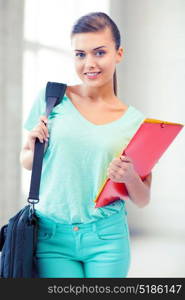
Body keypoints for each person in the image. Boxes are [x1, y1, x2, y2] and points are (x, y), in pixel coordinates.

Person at [20, 12, 152, 278]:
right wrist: (33, 148)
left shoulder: (136, 122)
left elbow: (143, 198)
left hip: (107, 238)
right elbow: (26, 160)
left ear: (119, 53)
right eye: (80, 54)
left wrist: (129, 177)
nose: (89, 63)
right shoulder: (52, 98)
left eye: (99, 52)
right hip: (51, 236)